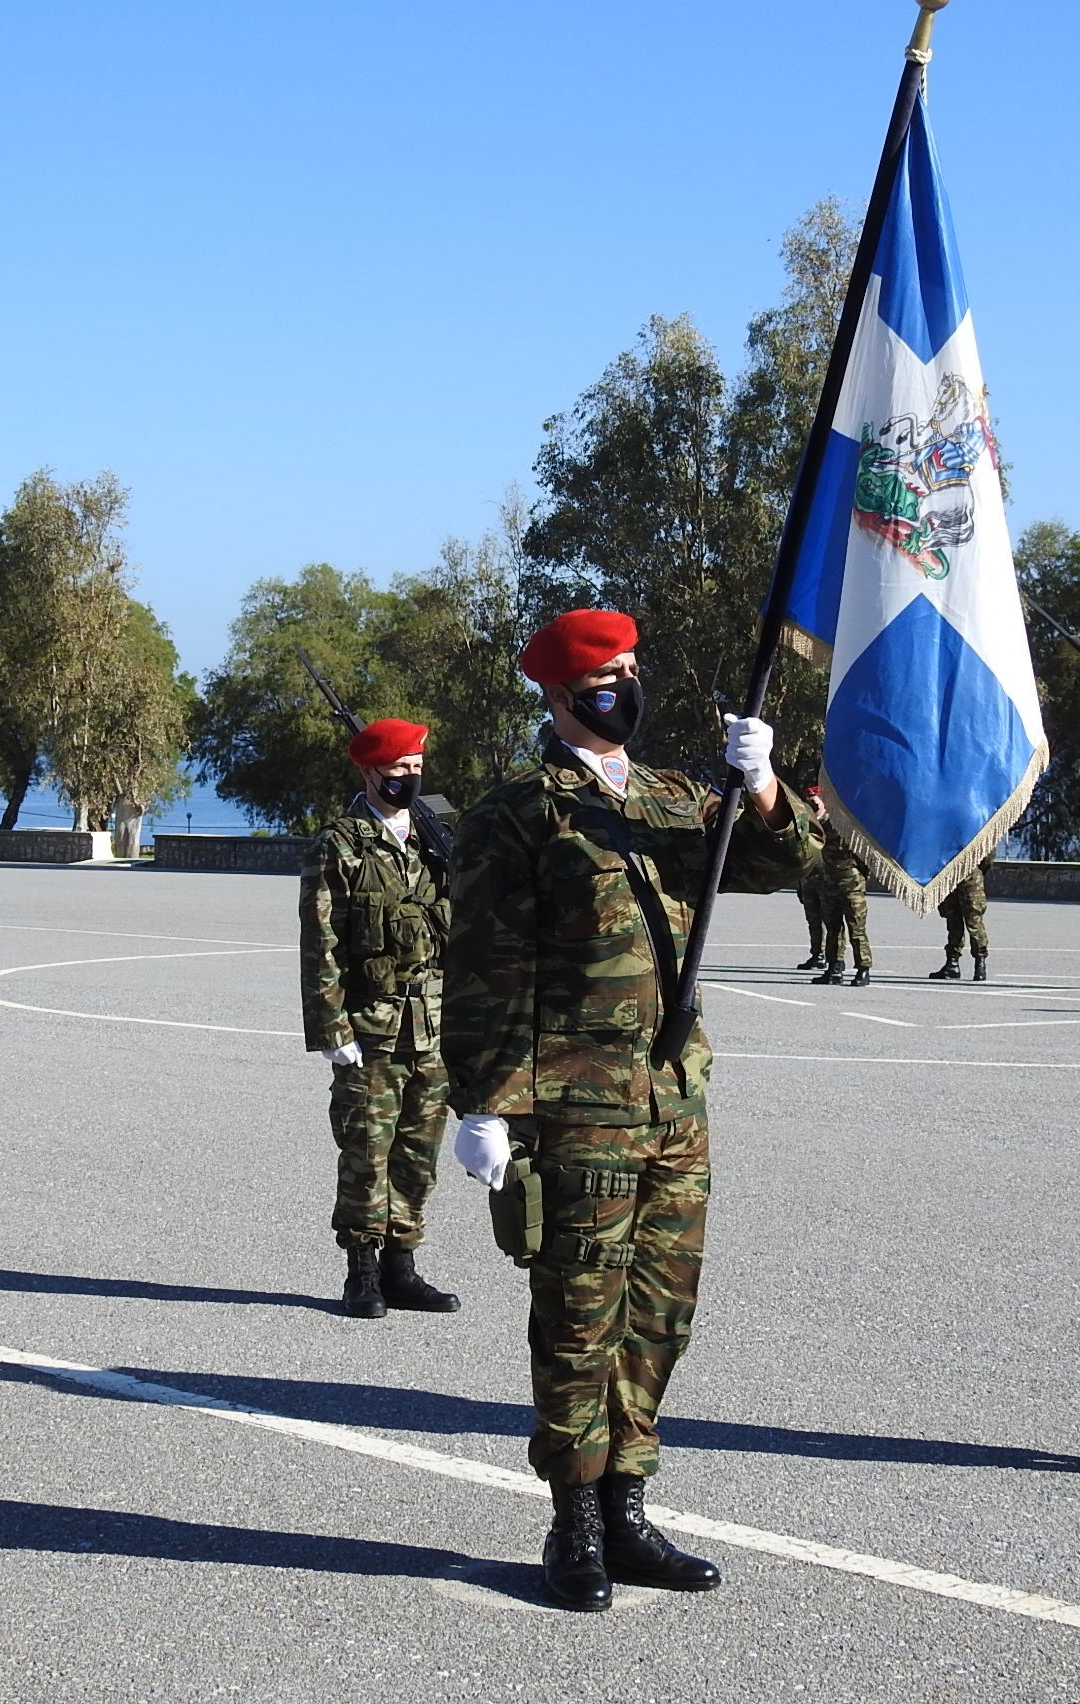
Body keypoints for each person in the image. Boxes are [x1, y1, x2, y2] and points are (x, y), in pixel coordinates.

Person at [444, 609, 820, 1612]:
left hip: (673, 1103)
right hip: (576, 1109)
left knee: (659, 1316)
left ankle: (628, 1510)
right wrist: (480, 1103)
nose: (627, 687)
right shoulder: (518, 812)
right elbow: (483, 968)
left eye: (632, 670)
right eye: (608, 675)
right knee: (579, 1321)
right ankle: (571, 1523)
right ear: (561, 693)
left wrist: (763, 784)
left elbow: (782, 865)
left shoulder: (671, 799)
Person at [299, 716, 459, 1319]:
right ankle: (360, 1270)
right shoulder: (338, 845)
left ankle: (403, 1264)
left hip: (434, 1022)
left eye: (417, 769)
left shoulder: (435, 837)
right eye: (398, 770)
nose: (409, 780)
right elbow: (321, 945)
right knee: (367, 1147)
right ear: (369, 772)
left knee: (419, 1149)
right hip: (370, 1024)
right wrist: (331, 1031)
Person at [811, 797, 872, 987]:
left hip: (851, 882)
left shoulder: (848, 825)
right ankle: (834, 967)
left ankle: (863, 969)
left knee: (856, 929)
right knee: (833, 927)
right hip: (830, 881)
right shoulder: (823, 822)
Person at [930, 854, 993, 981]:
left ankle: (979, 965)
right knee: (954, 922)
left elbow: (987, 854)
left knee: (974, 923)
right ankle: (952, 965)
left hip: (967, 877)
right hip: (950, 876)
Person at [793, 790, 828, 971]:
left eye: (815, 801)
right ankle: (817, 955)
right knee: (813, 920)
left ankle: (834, 958)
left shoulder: (832, 824)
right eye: (808, 802)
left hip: (827, 879)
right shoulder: (805, 824)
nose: (812, 805)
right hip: (808, 879)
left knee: (832, 921)